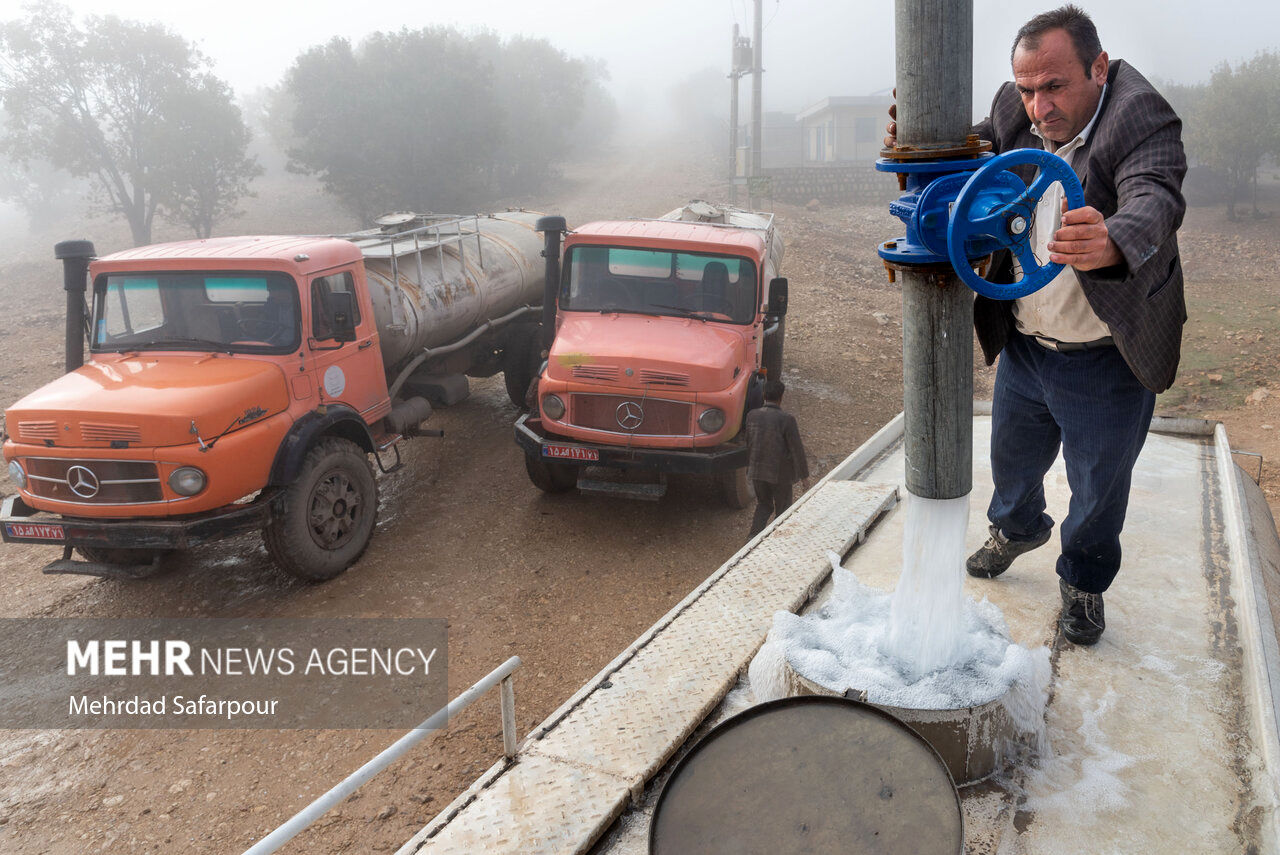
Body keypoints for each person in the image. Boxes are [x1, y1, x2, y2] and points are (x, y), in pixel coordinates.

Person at [885, 6, 1187, 645]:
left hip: (1106, 353)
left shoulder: (1140, 116)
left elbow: (1155, 195)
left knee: (1098, 491)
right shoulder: (1014, 108)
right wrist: (917, 137)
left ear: (1098, 69)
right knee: (1013, 464)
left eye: (1054, 87)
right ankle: (1018, 529)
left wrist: (1112, 240)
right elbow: (969, 156)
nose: (1039, 107)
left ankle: (1082, 582)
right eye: (1027, 90)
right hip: (1028, 342)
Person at [746, 379, 810, 538]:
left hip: (757, 472)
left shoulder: (751, 415)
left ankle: (751, 540)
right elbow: (797, 449)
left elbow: (748, 442)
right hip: (780, 474)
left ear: (763, 395)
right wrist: (804, 477)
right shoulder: (787, 419)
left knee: (763, 505)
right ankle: (777, 543)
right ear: (781, 397)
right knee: (783, 510)